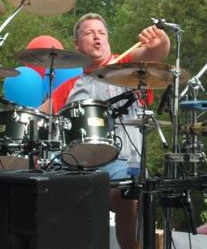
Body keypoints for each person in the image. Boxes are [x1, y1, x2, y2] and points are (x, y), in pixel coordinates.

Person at [49, 13, 170, 249]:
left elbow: (154, 53)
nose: (97, 37)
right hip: (77, 162)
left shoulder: (128, 67)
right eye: (89, 33)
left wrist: (160, 40)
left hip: (123, 161)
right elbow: (37, 115)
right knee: (41, 183)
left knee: (127, 195)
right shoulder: (71, 87)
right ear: (76, 44)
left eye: (101, 33)